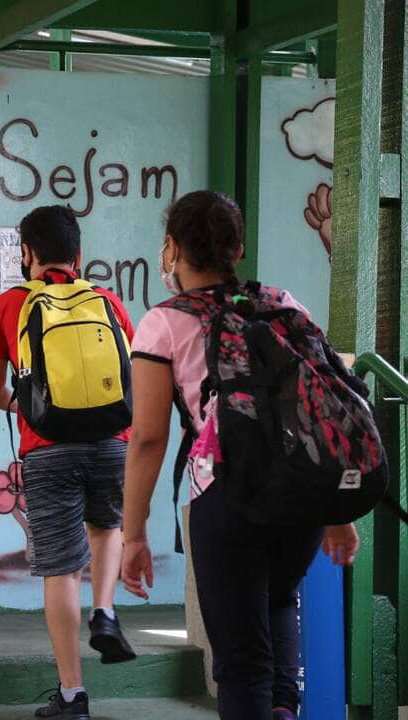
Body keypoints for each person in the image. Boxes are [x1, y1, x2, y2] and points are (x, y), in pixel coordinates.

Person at [120, 190, 360, 720]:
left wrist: (134, 534)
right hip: (299, 498)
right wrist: (335, 513)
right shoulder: (283, 304)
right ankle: (282, 710)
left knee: (240, 659)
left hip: (226, 499)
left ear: (174, 248)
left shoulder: (163, 323)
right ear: (238, 246)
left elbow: (148, 438)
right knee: (279, 604)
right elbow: (322, 409)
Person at [0, 206, 136, 719]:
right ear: (79, 255)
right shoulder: (107, 301)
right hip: (113, 441)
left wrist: (31, 405)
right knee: (106, 527)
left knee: (61, 571)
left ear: (26, 254)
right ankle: (106, 610)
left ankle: (73, 696)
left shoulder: (10, 305)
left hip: (47, 450)